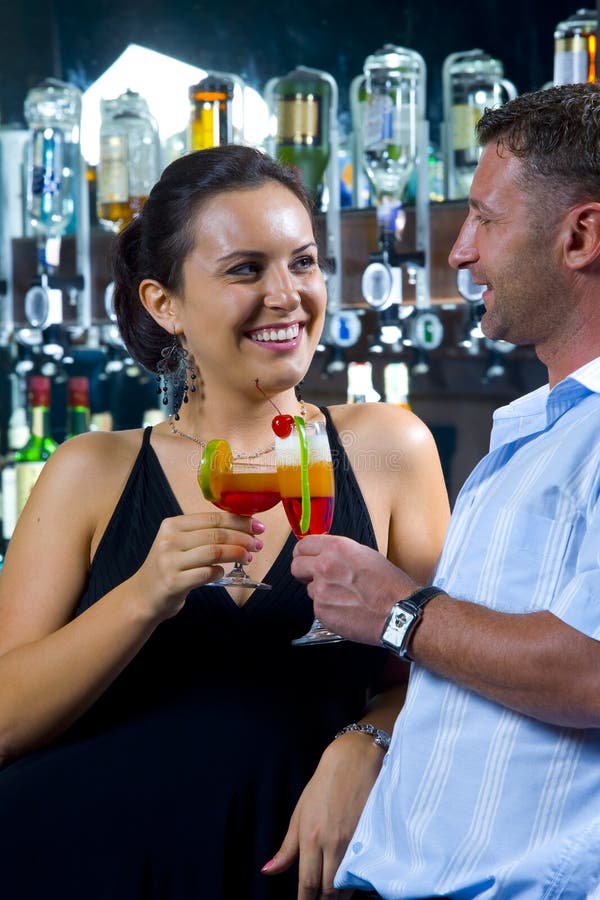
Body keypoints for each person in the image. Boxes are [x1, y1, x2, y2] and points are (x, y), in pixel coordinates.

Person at [0, 144, 450, 899]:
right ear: (164, 303)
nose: (287, 295)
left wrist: (367, 740)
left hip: (295, 870)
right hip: (78, 860)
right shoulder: (89, 470)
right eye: (246, 270)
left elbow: (447, 675)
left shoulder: (388, 447)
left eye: (303, 263)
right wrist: (141, 597)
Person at [266, 81, 600, 898]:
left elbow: (592, 673)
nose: (459, 253)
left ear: (581, 236)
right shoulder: (536, 435)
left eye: (485, 219)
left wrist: (400, 610)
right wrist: (369, 740)